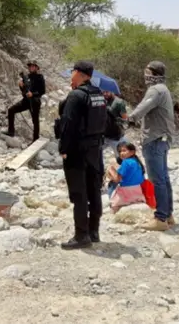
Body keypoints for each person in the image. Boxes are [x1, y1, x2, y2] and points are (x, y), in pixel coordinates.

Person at [58, 60, 107, 250]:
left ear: (78, 73)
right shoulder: (99, 95)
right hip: (95, 149)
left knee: (79, 194)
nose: (71, 76)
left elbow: (68, 125)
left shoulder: (76, 96)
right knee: (94, 191)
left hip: (77, 151)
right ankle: (94, 231)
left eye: (73, 72)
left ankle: (81, 235)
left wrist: (63, 149)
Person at [128, 60, 176, 232]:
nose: (145, 76)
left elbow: (143, 107)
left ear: (154, 74)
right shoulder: (164, 89)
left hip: (154, 139)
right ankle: (168, 214)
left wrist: (131, 118)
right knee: (163, 178)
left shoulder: (155, 90)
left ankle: (160, 218)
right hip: (163, 138)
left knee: (157, 180)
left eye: (147, 72)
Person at [5, 60, 46, 141]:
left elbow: (42, 91)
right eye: (30, 66)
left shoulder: (40, 77)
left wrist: (33, 94)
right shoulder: (26, 77)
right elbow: (24, 92)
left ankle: (36, 138)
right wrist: (21, 86)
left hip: (35, 102)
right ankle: (11, 131)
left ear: (37, 68)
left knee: (35, 120)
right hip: (26, 101)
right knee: (11, 110)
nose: (31, 67)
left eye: (33, 66)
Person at [106, 141, 147, 213]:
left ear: (132, 152)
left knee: (111, 184)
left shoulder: (126, 162)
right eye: (120, 151)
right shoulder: (137, 162)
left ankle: (113, 208)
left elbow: (117, 179)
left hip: (127, 191)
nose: (121, 153)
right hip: (138, 190)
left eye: (124, 151)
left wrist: (110, 169)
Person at [103, 90, 129, 161]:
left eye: (107, 91)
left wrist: (115, 118)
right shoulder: (102, 100)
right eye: (103, 92)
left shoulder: (119, 102)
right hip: (104, 136)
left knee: (123, 159)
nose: (105, 94)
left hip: (116, 137)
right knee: (96, 154)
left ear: (112, 90)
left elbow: (125, 118)